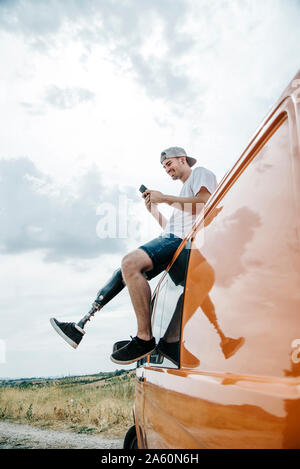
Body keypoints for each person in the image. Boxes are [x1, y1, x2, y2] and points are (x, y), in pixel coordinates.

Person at [50, 147, 218, 365]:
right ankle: (80, 325)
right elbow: (173, 228)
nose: (167, 169)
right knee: (123, 271)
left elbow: (205, 202)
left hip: (181, 243)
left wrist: (165, 199)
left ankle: (145, 338)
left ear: (182, 159)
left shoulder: (200, 173)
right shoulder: (184, 190)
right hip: (174, 241)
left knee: (130, 262)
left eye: (169, 164)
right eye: (164, 166)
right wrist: (155, 212)